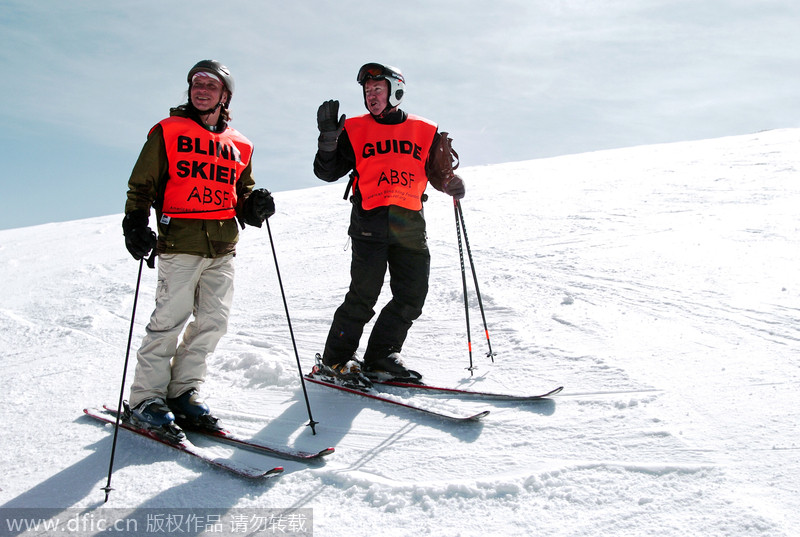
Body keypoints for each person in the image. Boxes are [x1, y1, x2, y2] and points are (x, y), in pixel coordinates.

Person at [121, 60, 275, 437]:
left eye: (210, 85)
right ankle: (145, 399)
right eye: (196, 83)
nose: (201, 89)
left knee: (213, 323)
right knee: (168, 322)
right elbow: (141, 185)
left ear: (225, 96)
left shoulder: (241, 144)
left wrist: (254, 205)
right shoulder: (169, 131)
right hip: (179, 242)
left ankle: (181, 393)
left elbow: (241, 193)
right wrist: (135, 223)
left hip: (222, 248)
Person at [313, 62, 466, 384]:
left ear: (395, 90)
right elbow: (327, 172)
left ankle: (381, 355)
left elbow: (438, 173)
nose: (371, 95)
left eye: (377, 89)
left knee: (412, 295)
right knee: (363, 296)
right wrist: (328, 139)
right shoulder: (354, 128)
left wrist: (450, 182)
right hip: (369, 224)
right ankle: (336, 360)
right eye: (367, 91)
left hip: (410, 226)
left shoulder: (425, 130)